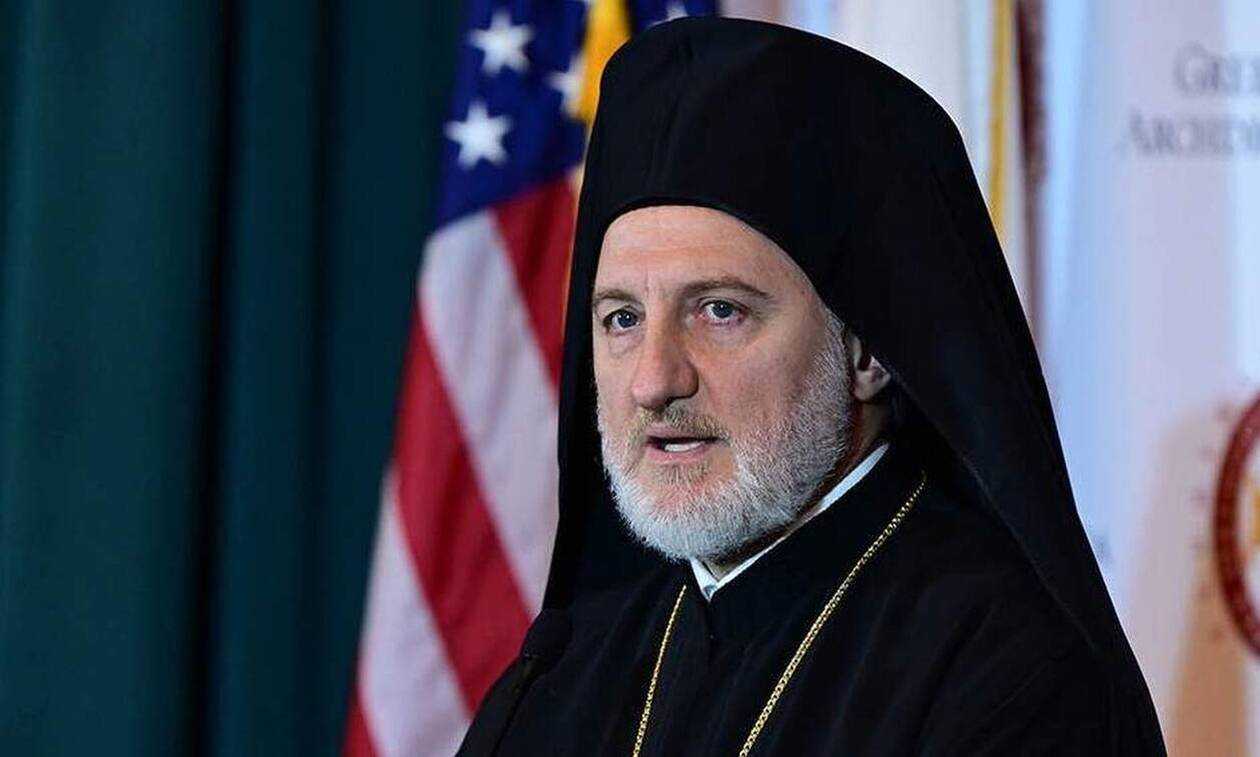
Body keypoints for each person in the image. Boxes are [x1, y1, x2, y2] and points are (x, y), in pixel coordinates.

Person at [459, 16, 1165, 755]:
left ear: (867, 352)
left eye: (719, 310)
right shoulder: (563, 677)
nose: (654, 381)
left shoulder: (1014, 676)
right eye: (622, 319)